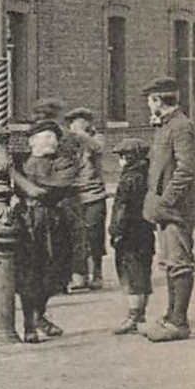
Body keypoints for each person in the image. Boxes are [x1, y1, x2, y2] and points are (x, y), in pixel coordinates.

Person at [11, 117, 75, 342]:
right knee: (29, 275)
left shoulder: (63, 163)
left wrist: (15, 177)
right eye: (47, 136)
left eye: (55, 137)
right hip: (26, 224)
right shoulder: (19, 160)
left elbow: (45, 193)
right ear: (32, 142)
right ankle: (30, 325)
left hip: (52, 224)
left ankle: (40, 315)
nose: (53, 141)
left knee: (52, 275)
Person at [141, 77, 195, 342]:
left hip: (177, 210)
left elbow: (186, 170)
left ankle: (179, 322)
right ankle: (170, 316)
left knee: (180, 264)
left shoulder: (181, 127)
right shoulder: (167, 126)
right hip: (166, 210)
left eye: (150, 101)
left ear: (158, 101)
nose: (149, 106)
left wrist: (166, 201)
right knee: (171, 263)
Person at [109, 137, 155, 335]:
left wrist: (115, 231)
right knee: (144, 272)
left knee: (130, 273)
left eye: (121, 156)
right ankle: (141, 313)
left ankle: (133, 316)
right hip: (144, 230)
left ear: (127, 157)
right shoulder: (148, 174)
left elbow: (122, 207)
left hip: (128, 232)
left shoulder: (129, 178)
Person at [63, 107, 109, 292]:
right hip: (73, 195)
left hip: (93, 195)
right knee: (76, 237)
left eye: (82, 121)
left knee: (94, 236)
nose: (77, 125)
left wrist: (81, 133)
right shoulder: (68, 142)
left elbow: (97, 148)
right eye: (74, 122)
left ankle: (97, 273)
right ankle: (79, 275)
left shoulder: (95, 138)